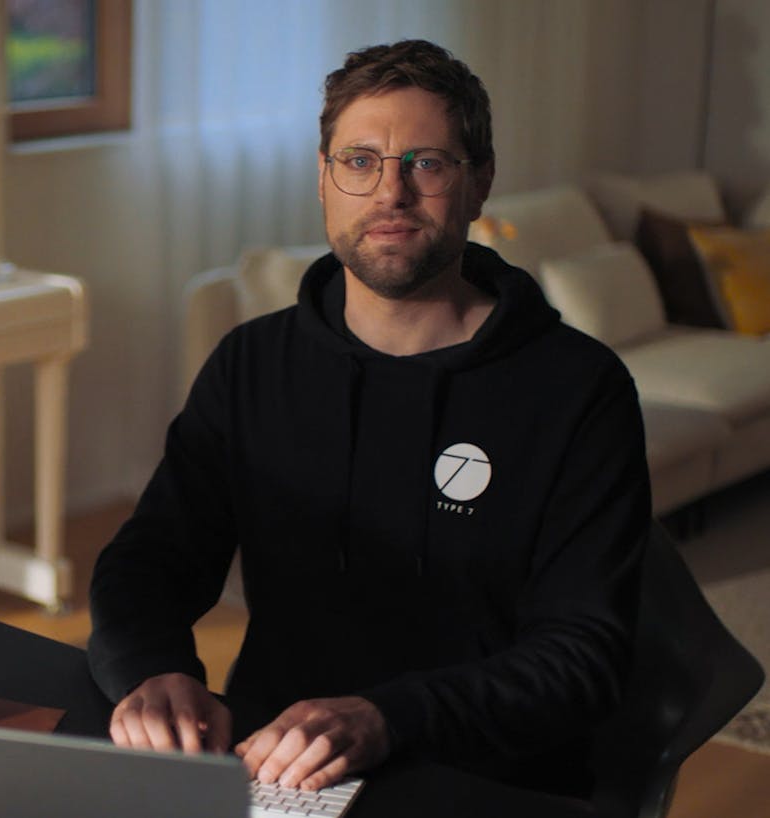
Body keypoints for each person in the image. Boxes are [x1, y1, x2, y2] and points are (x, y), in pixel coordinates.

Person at [86, 39, 650, 799]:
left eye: (427, 162)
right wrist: (152, 671)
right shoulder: (251, 365)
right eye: (359, 162)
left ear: (479, 183)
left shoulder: (579, 388)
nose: (391, 193)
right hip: (278, 766)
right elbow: (148, 560)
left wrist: (388, 716)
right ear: (323, 181)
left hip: (488, 777)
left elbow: (584, 656)